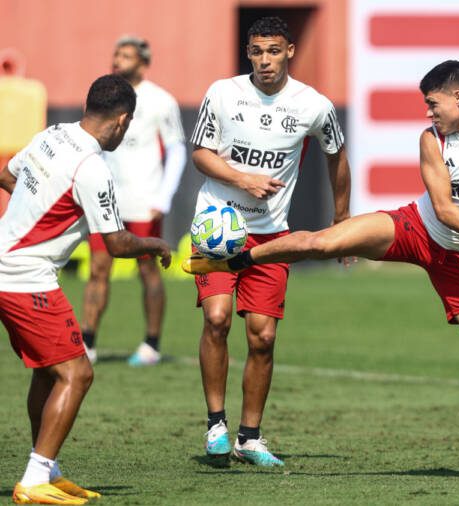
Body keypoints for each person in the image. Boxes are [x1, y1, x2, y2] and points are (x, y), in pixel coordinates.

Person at [185, 59, 459, 483]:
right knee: (323, 242)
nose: (428, 113)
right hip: (416, 229)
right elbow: (444, 210)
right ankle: (233, 259)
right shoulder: (431, 139)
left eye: (433, 104)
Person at [0, 75, 171, 505]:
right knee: (78, 373)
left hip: (8, 264)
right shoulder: (92, 167)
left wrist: (38, 210)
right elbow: (117, 243)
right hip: (25, 277)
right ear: (122, 120)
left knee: (49, 369)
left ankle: (48, 467)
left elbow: (8, 174)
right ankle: (35, 478)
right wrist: (155, 244)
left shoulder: (53, 136)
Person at [189, 16, 351, 466]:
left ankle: (250, 438)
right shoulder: (222, 93)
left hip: (272, 236)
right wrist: (242, 178)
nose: (265, 60)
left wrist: (342, 221)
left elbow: (337, 157)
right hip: (217, 226)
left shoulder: (314, 105)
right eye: (257, 51)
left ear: (290, 51)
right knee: (217, 318)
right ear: (248, 52)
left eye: (274, 51)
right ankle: (216, 425)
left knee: (262, 337)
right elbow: (201, 153)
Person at [81, 36, 187, 366]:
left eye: (125, 55)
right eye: (115, 53)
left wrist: (164, 196)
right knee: (98, 269)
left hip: (144, 198)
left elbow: (177, 148)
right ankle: (88, 343)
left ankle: (151, 344)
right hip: (106, 199)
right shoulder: (103, 96)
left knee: (148, 270)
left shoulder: (161, 100)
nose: (117, 60)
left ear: (142, 61)